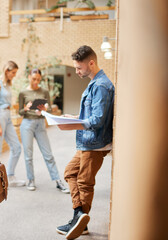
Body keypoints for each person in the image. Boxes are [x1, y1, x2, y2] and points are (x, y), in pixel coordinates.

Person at [56, 45, 115, 239]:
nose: (77, 71)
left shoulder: (101, 86)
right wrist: (72, 118)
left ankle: (80, 222)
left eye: (79, 68)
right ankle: (79, 215)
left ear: (91, 62)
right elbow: (90, 115)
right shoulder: (95, 83)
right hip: (87, 142)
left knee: (84, 182)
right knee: (70, 172)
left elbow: (97, 121)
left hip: (95, 144)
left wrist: (71, 126)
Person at [18, 68, 70, 193]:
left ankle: (58, 181)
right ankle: (31, 180)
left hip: (40, 124)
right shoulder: (23, 92)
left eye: (38, 79)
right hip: (27, 124)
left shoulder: (44, 92)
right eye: (34, 79)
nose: (36, 82)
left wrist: (44, 110)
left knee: (48, 155)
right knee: (28, 156)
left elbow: (50, 109)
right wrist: (26, 108)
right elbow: (19, 112)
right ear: (29, 77)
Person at [0, 61, 25, 187]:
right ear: (7, 71)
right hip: (0, 117)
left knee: (16, 147)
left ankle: (10, 176)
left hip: (8, 116)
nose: (14, 75)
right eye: (13, 72)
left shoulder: (7, 84)